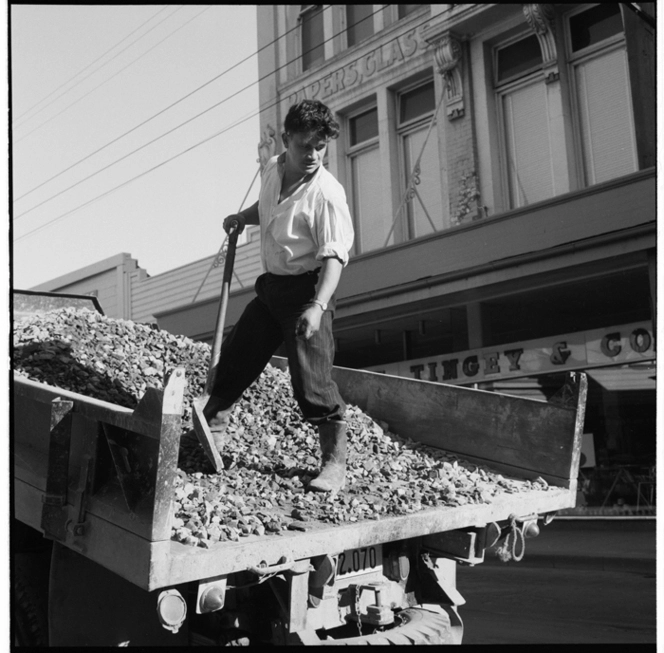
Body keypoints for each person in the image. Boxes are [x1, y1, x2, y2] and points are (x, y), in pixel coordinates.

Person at [199, 99, 354, 493]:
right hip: (271, 289)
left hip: (308, 292)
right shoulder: (273, 168)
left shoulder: (326, 193)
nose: (314, 155)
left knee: (311, 381)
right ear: (287, 141)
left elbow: (335, 258)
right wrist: (242, 218)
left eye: (321, 146)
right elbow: (266, 207)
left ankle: (334, 464)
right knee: (238, 354)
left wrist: (318, 307)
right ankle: (212, 427)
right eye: (305, 145)